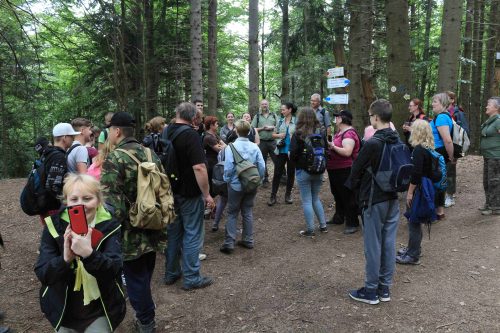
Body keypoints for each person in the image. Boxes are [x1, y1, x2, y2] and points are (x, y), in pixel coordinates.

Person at [34, 173, 126, 332]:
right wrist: (65, 260)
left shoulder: (110, 226)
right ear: (66, 201)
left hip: (100, 307)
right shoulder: (54, 227)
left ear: (98, 200)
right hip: (62, 308)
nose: (81, 205)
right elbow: (43, 273)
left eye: (87, 198)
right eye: (74, 199)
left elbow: (115, 270)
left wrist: (90, 255)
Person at [101, 112, 165, 332]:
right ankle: (146, 306)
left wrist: (107, 233)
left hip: (130, 231)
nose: (109, 133)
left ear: (117, 131)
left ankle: (146, 321)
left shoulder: (115, 158)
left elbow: (112, 205)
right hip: (153, 222)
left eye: (110, 130)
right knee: (145, 271)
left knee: (135, 276)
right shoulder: (150, 153)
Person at [348, 99, 401, 305]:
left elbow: (355, 172)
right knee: (388, 243)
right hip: (392, 199)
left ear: (376, 118)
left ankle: (370, 291)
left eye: (370, 116)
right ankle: (384, 289)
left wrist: (355, 194)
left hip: (373, 200)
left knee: (373, 245)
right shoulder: (397, 140)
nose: (370, 119)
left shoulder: (372, 143)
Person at [163, 102, 214, 290]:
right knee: (192, 233)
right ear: (193, 117)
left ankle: (171, 273)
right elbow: (199, 167)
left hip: (169, 191)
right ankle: (192, 277)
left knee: (174, 233)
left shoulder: (166, 131)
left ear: (177, 114)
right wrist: (207, 194)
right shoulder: (191, 135)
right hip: (189, 193)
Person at [220, 120, 265, 254]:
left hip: (235, 184)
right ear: (250, 132)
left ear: (236, 131)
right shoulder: (255, 147)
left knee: (232, 212)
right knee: (247, 211)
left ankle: (229, 243)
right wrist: (259, 180)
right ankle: (248, 240)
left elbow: (227, 168)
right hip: (251, 184)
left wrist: (227, 180)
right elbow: (261, 166)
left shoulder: (230, 147)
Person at [397, 120, 436, 265]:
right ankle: (413, 249)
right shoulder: (428, 148)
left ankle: (413, 255)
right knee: (414, 221)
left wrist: (410, 192)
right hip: (426, 186)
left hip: (419, 188)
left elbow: (416, 173)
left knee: (414, 221)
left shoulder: (419, 150)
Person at [289, 107, 328, 236]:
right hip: (319, 169)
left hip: (303, 171)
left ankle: (310, 230)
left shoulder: (298, 133)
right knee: (315, 198)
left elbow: (293, 153)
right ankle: (323, 225)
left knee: (306, 200)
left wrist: (297, 165)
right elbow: (326, 149)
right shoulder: (321, 131)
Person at [326, 110, 361, 234]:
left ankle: (352, 222)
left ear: (342, 119)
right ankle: (339, 217)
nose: (335, 119)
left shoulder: (349, 134)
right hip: (335, 169)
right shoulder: (340, 132)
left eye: (337, 117)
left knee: (347, 196)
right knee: (337, 194)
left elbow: (347, 152)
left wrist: (332, 146)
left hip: (345, 169)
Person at [430, 93, 454, 219]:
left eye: (435, 102)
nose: (432, 104)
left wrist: (451, 156)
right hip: (438, 153)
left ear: (443, 104)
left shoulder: (441, 118)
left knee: (437, 182)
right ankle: (439, 210)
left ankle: (438, 211)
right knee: (439, 181)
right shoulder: (443, 117)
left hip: (438, 153)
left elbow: (447, 140)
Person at [268, 102, 297, 206]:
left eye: (283, 109)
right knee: (277, 173)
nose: (282, 111)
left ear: (289, 110)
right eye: (281, 110)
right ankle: (273, 195)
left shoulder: (296, 121)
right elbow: (273, 135)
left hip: (292, 152)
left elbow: (300, 135)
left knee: (291, 173)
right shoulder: (280, 121)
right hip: (280, 151)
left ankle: (288, 195)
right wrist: (279, 135)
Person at [479, 97, 500, 216]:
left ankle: (496, 207)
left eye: (489, 104)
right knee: (486, 181)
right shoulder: (490, 121)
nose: (486, 106)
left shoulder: (498, 121)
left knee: (494, 181)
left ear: (496, 108)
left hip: (496, 157)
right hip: (488, 156)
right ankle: (488, 204)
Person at [251, 99, 278, 185]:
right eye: (263, 104)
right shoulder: (257, 116)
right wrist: (262, 128)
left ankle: (281, 177)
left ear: (268, 105)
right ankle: (265, 179)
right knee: (262, 161)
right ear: (260, 105)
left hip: (273, 141)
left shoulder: (273, 115)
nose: (264, 106)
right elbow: (253, 128)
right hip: (262, 142)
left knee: (277, 159)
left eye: (266, 104)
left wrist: (272, 127)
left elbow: (279, 125)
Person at [203, 116, 226, 197]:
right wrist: (221, 146)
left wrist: (222, 146)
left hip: (216, 162)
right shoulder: (208, 137)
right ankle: (209, 203)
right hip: (211, 164)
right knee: (212, 183)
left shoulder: (215, 135)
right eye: (216, 124)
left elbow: (224, 145)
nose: (217, 125)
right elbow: (219, 149)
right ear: (211, 125)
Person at [443, 91, 458, 208]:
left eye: (447, 98)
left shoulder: (457, 113)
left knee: (450, 171)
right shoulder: (442, 113)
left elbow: (463, 131)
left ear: (452, 100)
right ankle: (446, 194)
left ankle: (450, 196)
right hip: (442, 147)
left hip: (452, 146)